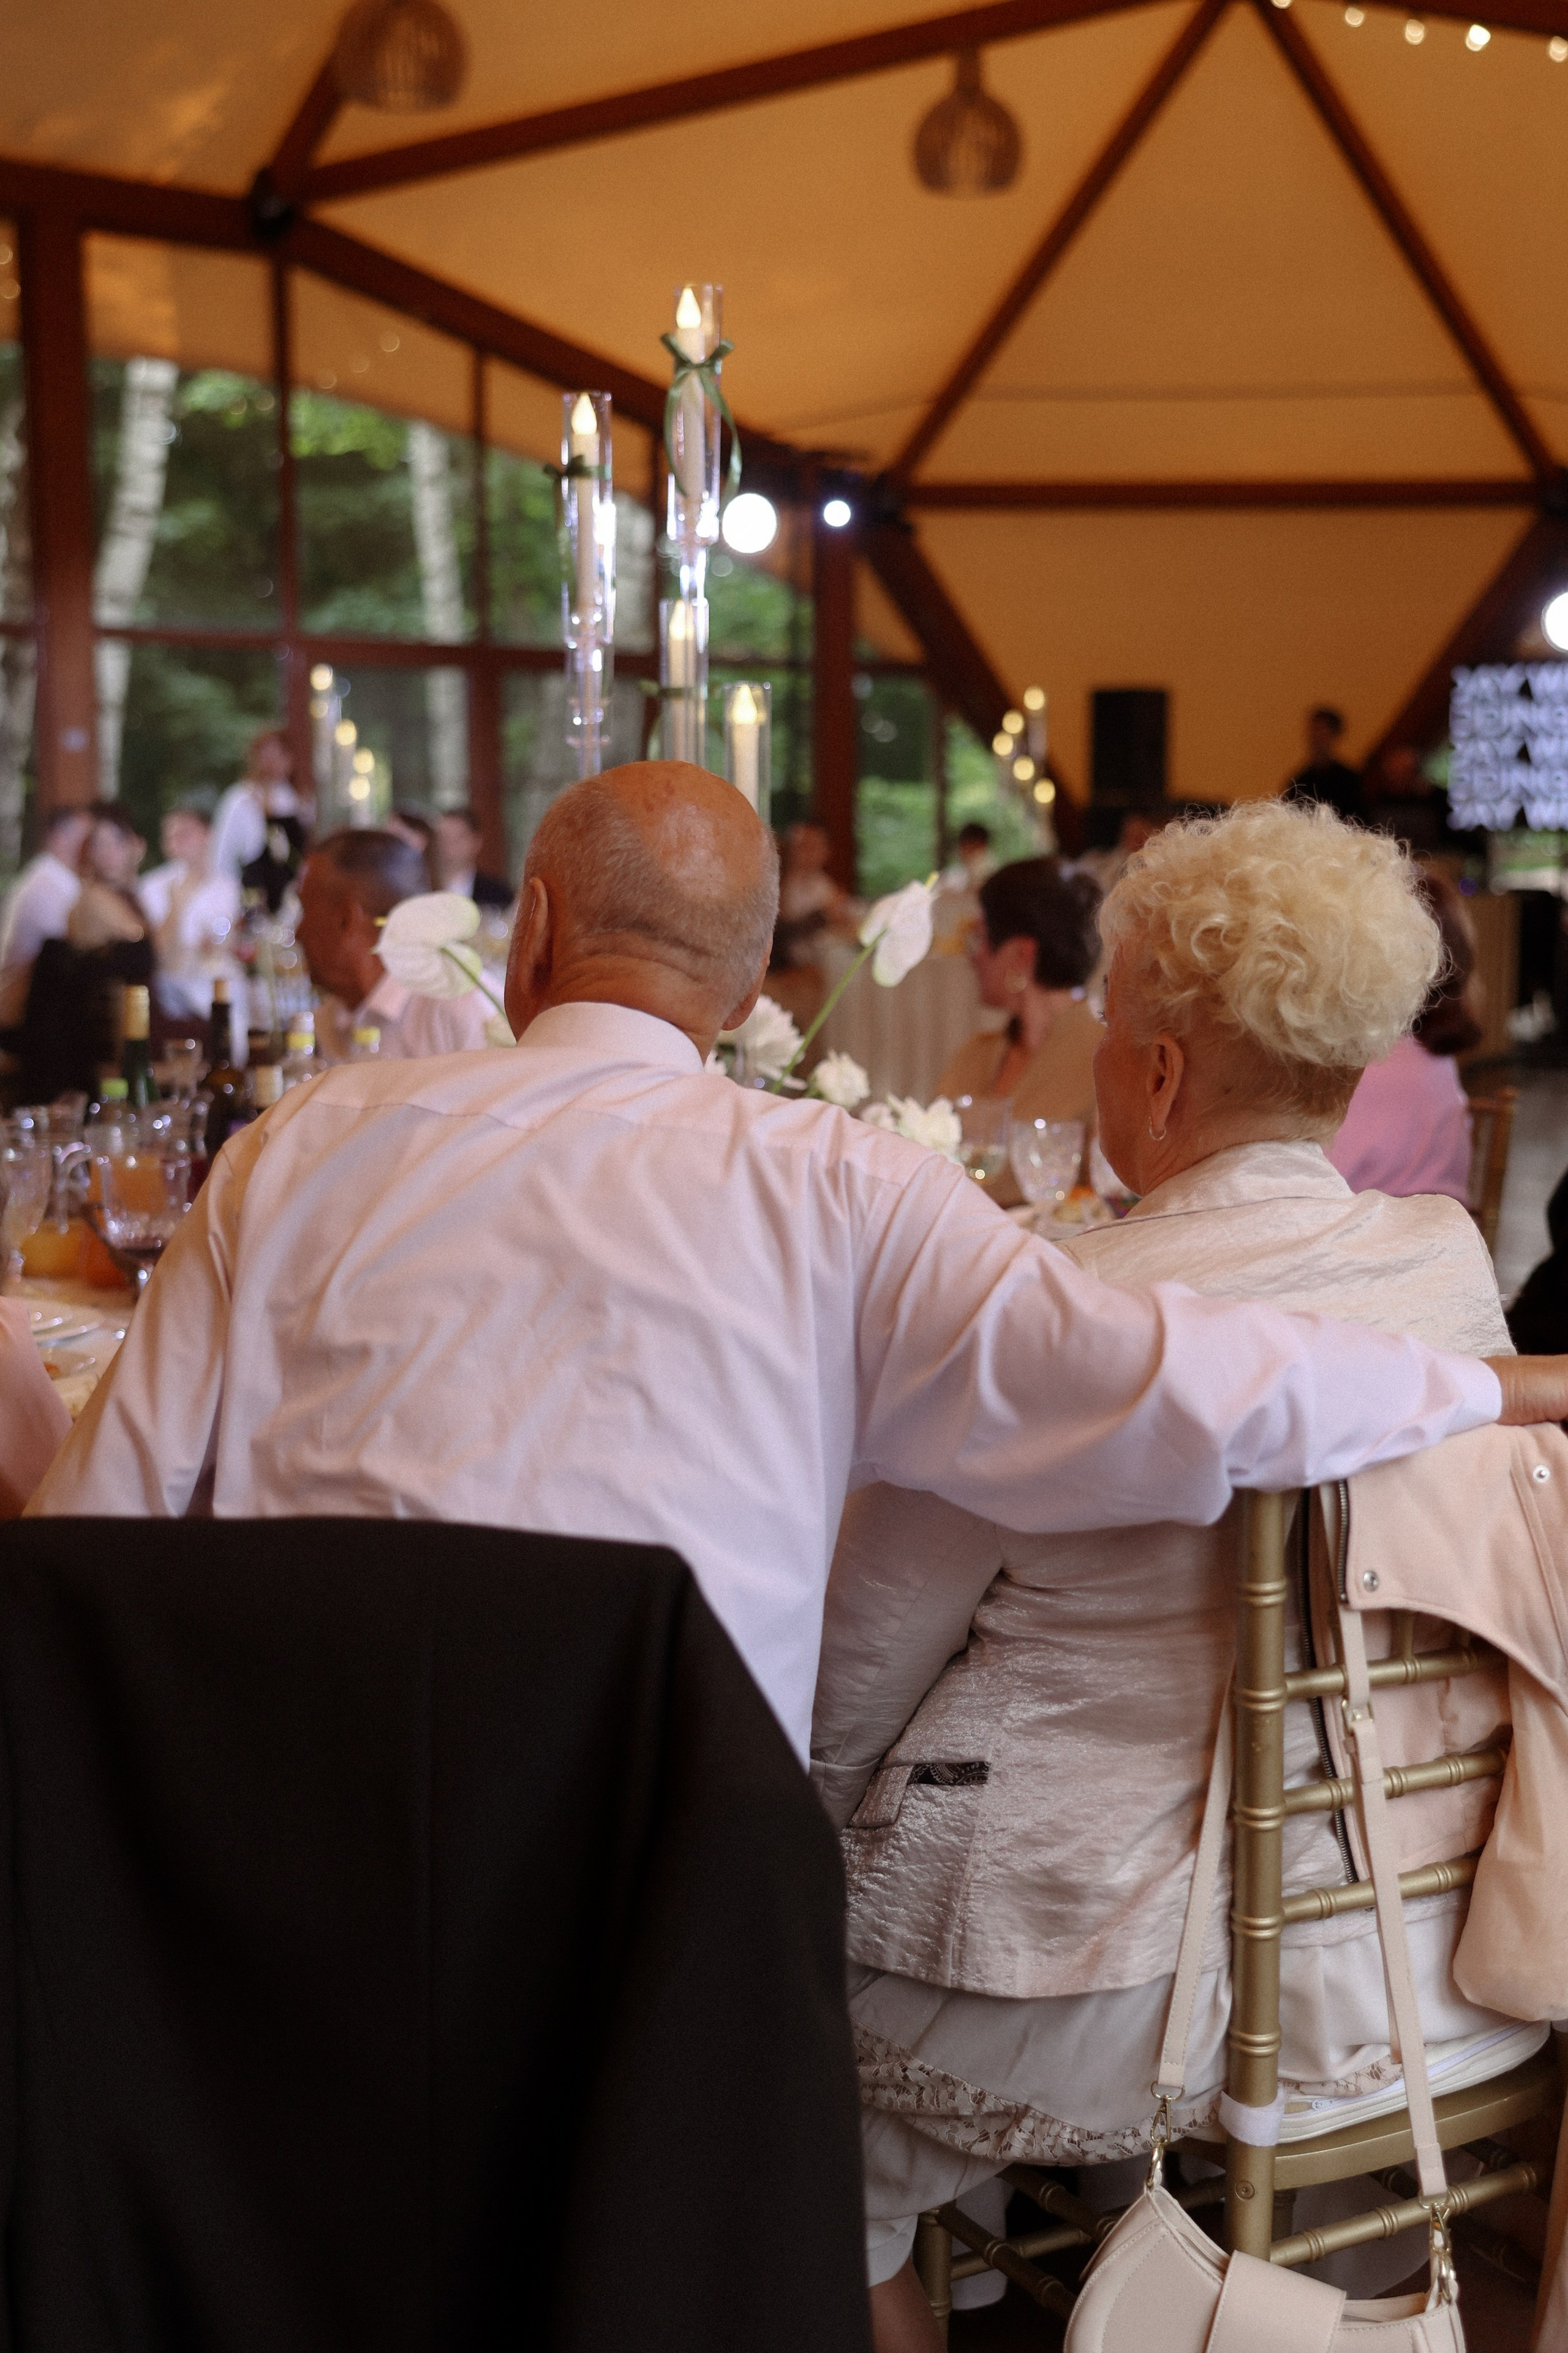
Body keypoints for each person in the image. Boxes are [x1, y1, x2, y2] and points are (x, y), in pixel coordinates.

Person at [28, 763, 1564, 1762]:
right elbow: (1164, 1385)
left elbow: (97, 1533)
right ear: (754, 981)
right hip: (670, 1895)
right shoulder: (838, 1184)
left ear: (531, 928)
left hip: (296, 1850)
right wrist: (1475, 1382)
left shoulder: (292, 1147)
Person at [811, 802, 1525, 2348]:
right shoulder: (1441, 1259)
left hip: (1106, 1980)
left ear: (1152, 1069)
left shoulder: (1062, 1310)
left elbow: (857, 1662)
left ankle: (971, 2279)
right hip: (1405, 1949)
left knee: (782, 2100)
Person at [937, 858, 1103, 1201]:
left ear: (1020, 954)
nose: (973, 956)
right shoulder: (976, 1055)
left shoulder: (1105, 1059)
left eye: (979, 938)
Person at [1327, 867, 1479, 1202]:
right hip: (1443, 1236)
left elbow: (1320, 1188)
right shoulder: (1431, 1058)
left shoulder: (1372, 1066)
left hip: (1380, 1242)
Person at [293, 829, 493, 1063]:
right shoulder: (331, 1017)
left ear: (346, 919)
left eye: (306, 911)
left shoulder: (461, 1011)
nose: (298, 933)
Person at [16, 804, 153, 1101]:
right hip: (77, 1034)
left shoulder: (121, 894)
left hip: (99, 1021)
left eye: (115, 842)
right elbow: (147, 950)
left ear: (134, 846)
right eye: (97, 843)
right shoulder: (90, 895)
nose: (105, 852)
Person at [138, 806, 244, 1051]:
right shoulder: (152, 886)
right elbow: (156, 950)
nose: (177, 841)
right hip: (174, 983)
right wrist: (179, 903)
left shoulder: (228, 887)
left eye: (185, 833)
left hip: (218, 975)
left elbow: (231, 940)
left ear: (208, 835)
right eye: (171, 835)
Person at [0, 806, 91, 1032]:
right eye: (88, 838)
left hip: (43, 1006)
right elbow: (84, 943)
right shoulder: (45, 886)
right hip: (26, 1016)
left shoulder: (59, 879)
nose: (94, 847)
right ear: (60, 838)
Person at [210, 730, 305, 904]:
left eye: (279, 754)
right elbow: (222, 857)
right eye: (266, 756)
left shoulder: (295, 800)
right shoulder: (240, 799)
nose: (272, 763)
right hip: (254, 897)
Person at [1284, 705, 1364, 825]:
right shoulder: (1299, 781)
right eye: (1313, 730)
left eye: (1322, 730)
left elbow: (1358, 821)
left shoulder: (1349, 780)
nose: (1316, 736)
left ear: (1334, 735)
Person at [431, 807, 513, 910]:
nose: (449, 845)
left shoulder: (498, 895)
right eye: (442, 837)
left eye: (458, 838)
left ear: (476, 842)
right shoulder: (419, 890)